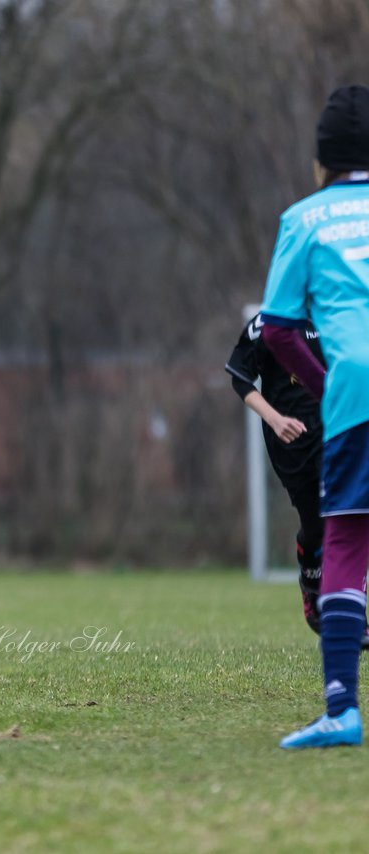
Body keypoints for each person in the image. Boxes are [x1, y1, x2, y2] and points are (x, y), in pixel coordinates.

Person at [259, 84, 369, 749]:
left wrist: (326, 385)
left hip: (356, 391)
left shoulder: (305, 218)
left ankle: (341, 710)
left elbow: (275, 330)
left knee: (349, 542)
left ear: (321, 158)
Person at [225, 312, 325, 632]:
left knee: (348, 516)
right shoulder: (268, 322)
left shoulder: (344, 309)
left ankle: (349, 604)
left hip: (339, 431)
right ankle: (311, 582)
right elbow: (239, 376)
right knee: (316, 525)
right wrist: (275, 419)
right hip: (292, 442)